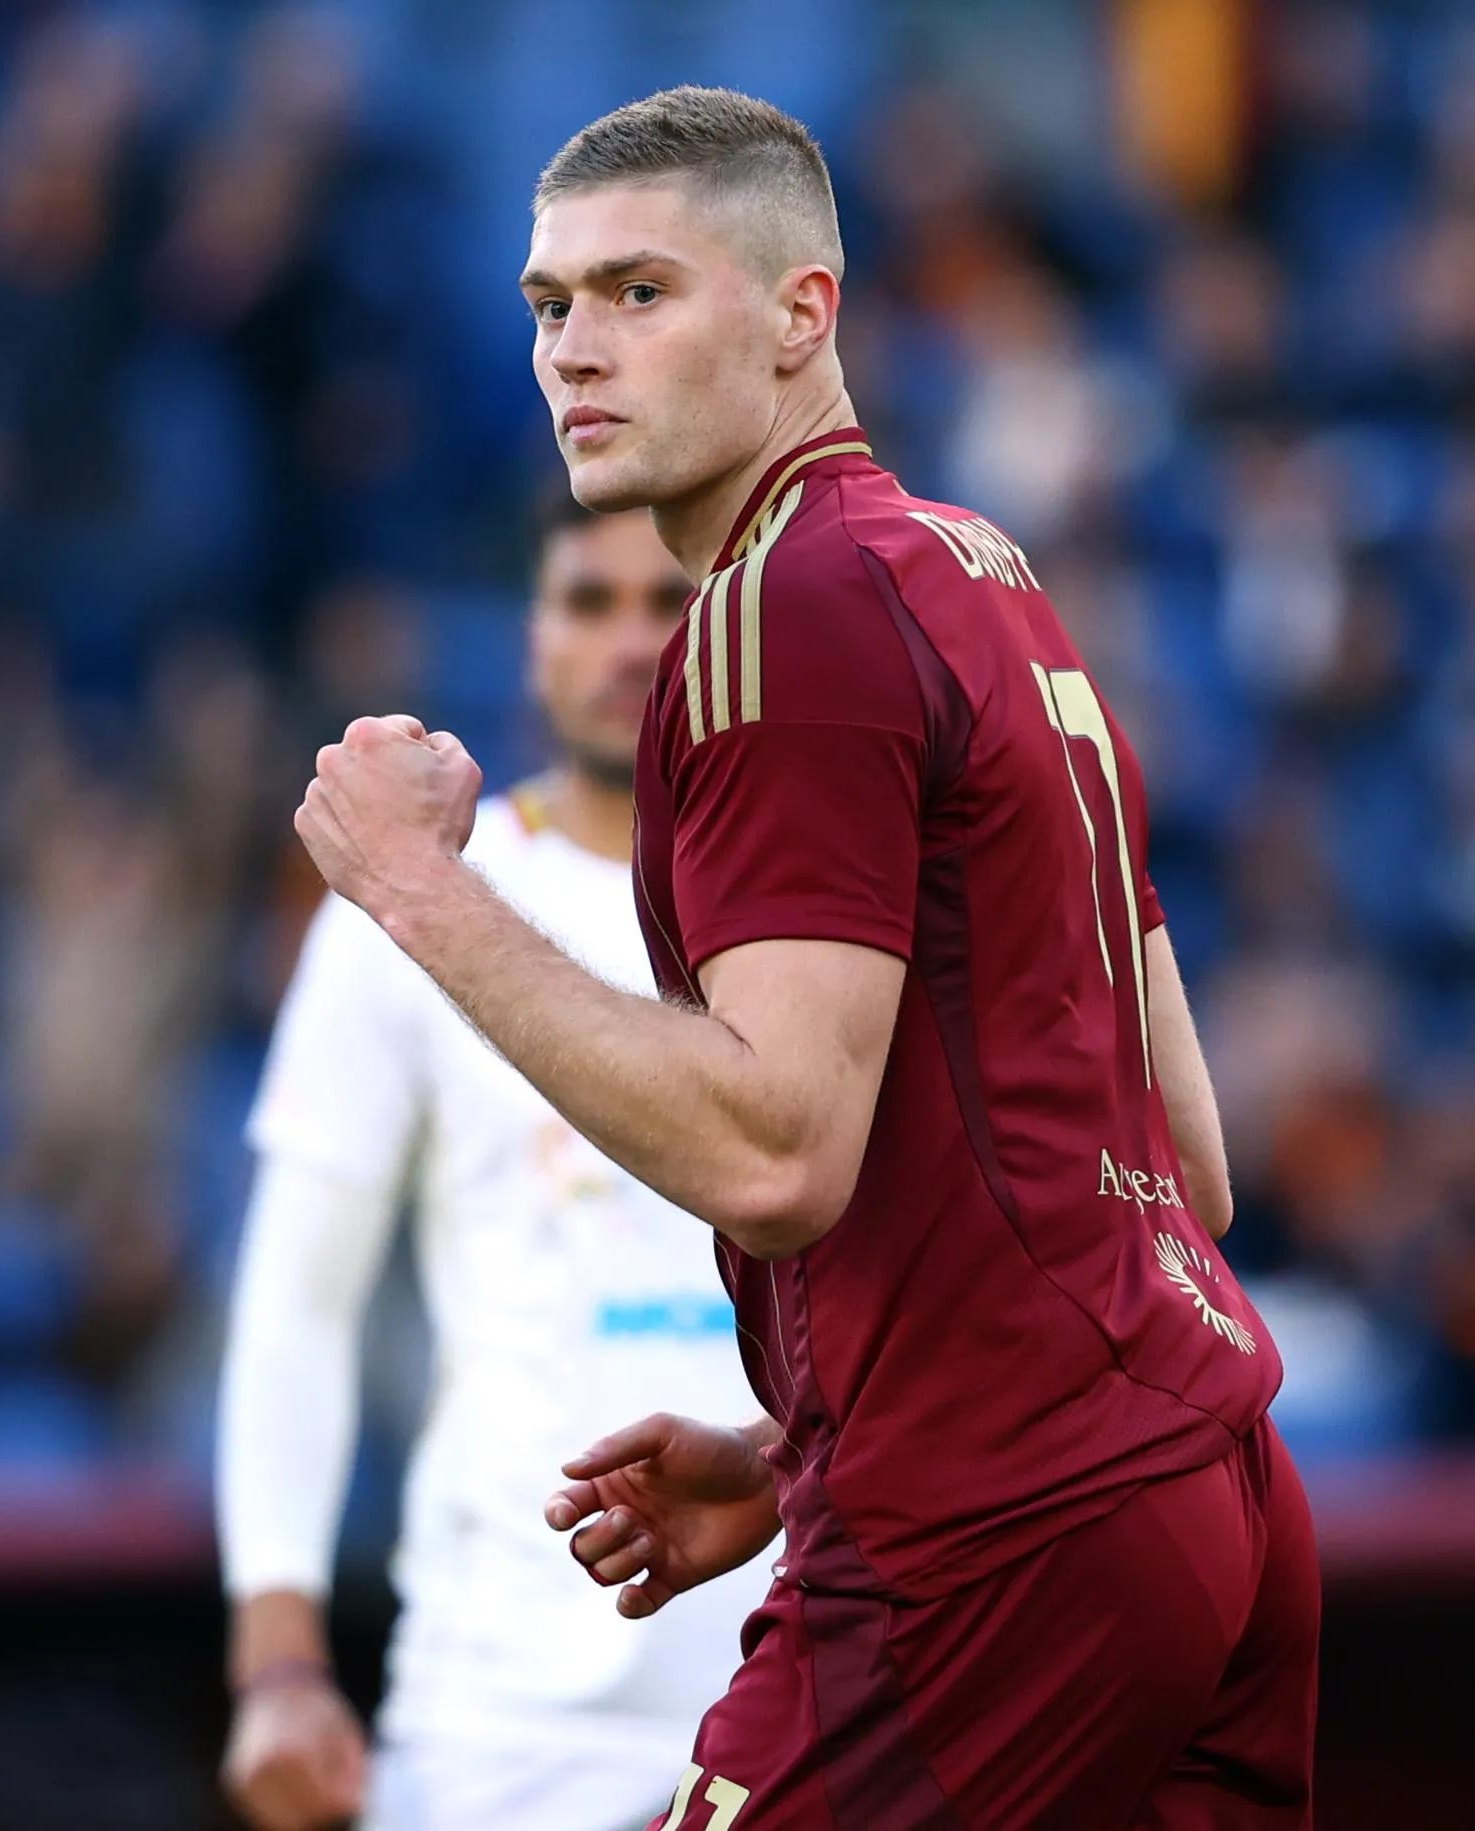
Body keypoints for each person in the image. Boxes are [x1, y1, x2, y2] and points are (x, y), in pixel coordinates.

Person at [291, 87, 1318, 1828]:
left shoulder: (785, 608)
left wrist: (415, 888)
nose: (572, 352)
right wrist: (792, 1449)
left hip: (994, 1527)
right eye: (548, 305)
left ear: (800, 313)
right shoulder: (983, 581)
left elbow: (777, 1152)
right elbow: (1183, 1168)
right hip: (1205, 1481)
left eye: (638, 292)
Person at [217, 498, 773, 1831]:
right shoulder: (405, 906)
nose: (629, 641)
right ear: (530, 638)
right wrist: (279, 1663)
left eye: (670, 603)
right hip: (503, 1714)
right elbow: (296, 1305)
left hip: (816, 1670)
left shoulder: (835, 916)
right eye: (588, 601)